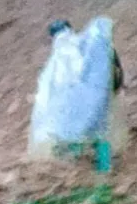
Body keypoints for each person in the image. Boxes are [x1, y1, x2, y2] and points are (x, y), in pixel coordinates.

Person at [45, 18, 124, 172]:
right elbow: (114, 65)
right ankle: (102, 166)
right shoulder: (89, 42)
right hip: (99, 95)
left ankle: (77, 165)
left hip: (81, 98)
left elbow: (58, 85)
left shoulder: (60, 53)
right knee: (100, 130)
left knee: (76, 130)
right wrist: (116, 85)